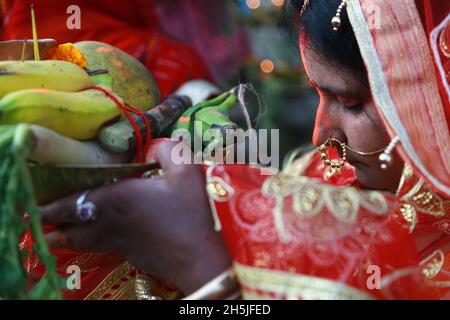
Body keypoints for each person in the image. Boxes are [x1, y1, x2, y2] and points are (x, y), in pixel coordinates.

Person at [37, 0, 450, 299]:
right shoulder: (330, 174)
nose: (320, 134)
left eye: (353, 102)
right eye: (319, 95)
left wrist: (202, 266)